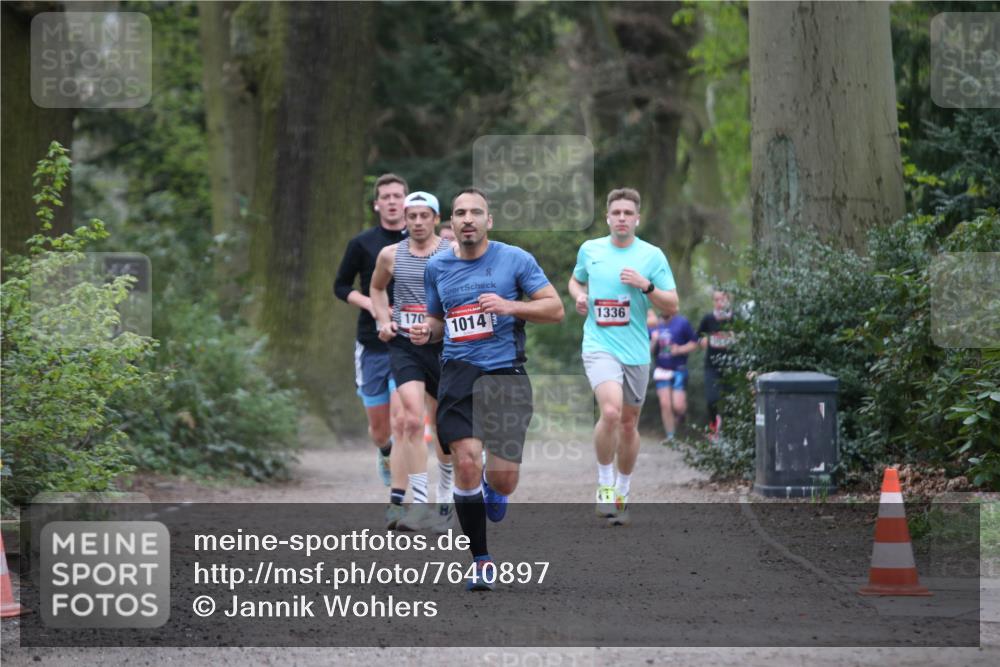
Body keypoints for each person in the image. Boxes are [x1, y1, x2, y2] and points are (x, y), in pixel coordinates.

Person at [411, 187, 564, 590]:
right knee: (465, 459)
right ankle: (480, 561)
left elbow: (555, 308)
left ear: (488, 221)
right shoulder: (437, 268)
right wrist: (427, 331)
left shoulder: (516, 260)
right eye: (460, 212)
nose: (467, 219)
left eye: (475, 212)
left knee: (503, 480)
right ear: (452, 222)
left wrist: (510, 306)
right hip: (458, 372)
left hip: (505, 373)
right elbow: (438, 323)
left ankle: (494, 492)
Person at [568, 187, 678, 526]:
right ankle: (604, 484)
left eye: (627, 213)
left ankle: (622, 491)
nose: (621, 218)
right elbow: (574, 281)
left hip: (636, 351)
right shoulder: (591, 250)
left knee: (629, 424)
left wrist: (646, 286)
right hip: (599, 344)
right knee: (612, 411)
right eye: (616, 213)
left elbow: (672, 306)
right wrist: (580, 296)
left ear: (637, 219)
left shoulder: (651, 256)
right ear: (607, 217)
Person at [370, 191, 455, 532]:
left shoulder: (452, 254)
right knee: (409, 417)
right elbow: (377, 289)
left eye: (425, 216)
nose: (418, 222)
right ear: (404, 220)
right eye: (412, 216)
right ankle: (419, 504)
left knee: (445, 428)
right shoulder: (390, 255)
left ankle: (446, 498)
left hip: (445, 346)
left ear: (436, 218)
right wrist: (382, 321)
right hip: (405, 345)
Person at [334, 173, 407, 522]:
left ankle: (400, 496)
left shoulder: (420, 240)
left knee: (403, 417)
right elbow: (340, 286)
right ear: (377, 204)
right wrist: (372, 305)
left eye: (398, 195)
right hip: (372, 342)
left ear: (407, 201)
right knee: (380, 430)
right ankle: (385, 452)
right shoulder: (362, 243)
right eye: (386, 196)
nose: (392, 201)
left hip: (409, 344)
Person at [650, 311, 698, 442]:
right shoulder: (654, 324)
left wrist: (679, 349)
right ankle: (671, 437)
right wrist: (654, 341)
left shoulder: (682, 322)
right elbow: (648, 350)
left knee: (678, 406)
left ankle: (681, 416)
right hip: (661, 369)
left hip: (679, 369)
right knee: (665, 404)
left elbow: (694, 342)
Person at [698, 289, 735, 437]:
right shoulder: (708, 318)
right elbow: (697, 335)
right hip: (712, 365)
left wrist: (736, 337)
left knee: (732, 402)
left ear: (728, 300)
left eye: (722, 299)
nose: (720, 303)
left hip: (731, 366)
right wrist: (702, 340)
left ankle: (731, 433)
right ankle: (713, 426)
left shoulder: (735, 318)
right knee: (712, 399)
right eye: (716, 300)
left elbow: (746, 336)